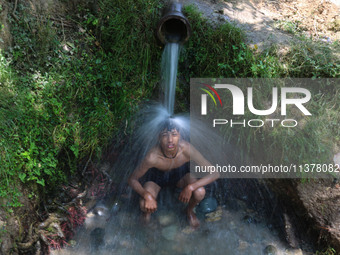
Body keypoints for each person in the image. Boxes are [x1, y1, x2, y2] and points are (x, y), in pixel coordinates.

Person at [128, 118, 219, 228]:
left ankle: (189, 211)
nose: (170, 140)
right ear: (159, 137)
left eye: (174, 134)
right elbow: (132, 179)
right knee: (144, 204)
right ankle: (146, 217)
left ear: (180, 135)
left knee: (199, 192)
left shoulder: (186, 149)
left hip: (180, 176)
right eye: (165, 135)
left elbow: (215, 173)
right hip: (156, 179)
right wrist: (147, 195)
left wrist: (190, 187)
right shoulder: (152, 157)